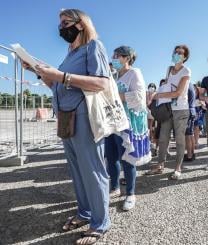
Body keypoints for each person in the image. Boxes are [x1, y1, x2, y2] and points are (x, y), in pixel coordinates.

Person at [22, 9, 112, 244]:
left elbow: (102, 82)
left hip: (84, 116)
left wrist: (62, 76)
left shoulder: (93, 47)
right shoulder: (69, 53)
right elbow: (58, 86)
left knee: (92, 170)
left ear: (80, 24)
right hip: (66, 116)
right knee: (77, 170)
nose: (61, 28)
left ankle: (100, 223)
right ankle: (85, 212)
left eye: (65, 23)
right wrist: (37, 71)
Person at [105, 46, 151, 211]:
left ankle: (130, 194)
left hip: (127, 123)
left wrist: (115, 96)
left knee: (127, 159)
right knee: (111, 157)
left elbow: (139, 97)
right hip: (112, 122)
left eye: (117, 55)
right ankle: (115, 187)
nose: (113, 58)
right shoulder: (115, 76)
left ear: (126, 58)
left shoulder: (134, 73)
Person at [146, 45, 191, 180]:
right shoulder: (169, 69)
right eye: (175, 52)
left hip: (181, 110)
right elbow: (166, 85)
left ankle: (177, 168)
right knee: (163, 138)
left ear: (185, 57)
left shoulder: (186, 71)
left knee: (179, 140)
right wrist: (155, 93)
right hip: (167, 109)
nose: (177, 54)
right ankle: (160, 165)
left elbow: (178, 92)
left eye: (180, 53)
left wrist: (157, 96)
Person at [184, 82, 196, 161]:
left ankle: (189, 155)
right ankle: (192, 153)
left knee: (187, 135)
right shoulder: (190, 84)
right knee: (191, 134)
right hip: (192, 110)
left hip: (187, 111)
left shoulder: (185, 85)